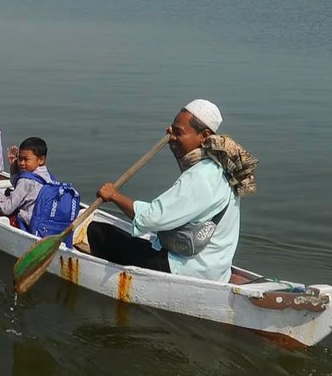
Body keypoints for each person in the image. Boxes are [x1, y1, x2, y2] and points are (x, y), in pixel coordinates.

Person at [87, 99, 258, 283]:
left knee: (97, 231)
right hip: (215, 270)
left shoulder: (201, 176)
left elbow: (151, 218)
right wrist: (176, 141)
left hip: (185, 269)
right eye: (172, 131)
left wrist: (113, 195)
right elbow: (187, 187)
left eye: (179, 132)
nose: (172, 137)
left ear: (204, 135)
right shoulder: (221, 167)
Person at [0, 137, 52, 226]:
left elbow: (7, 209)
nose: (21, 163)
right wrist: (14, 167)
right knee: (10, 193)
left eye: (26, 159)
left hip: (27, 223)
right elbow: (20, 187)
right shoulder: (47, 176)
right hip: (43, 221)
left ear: (41, 160)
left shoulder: (26, 181)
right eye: (20, 159)